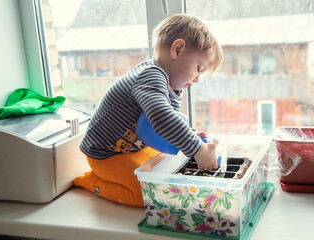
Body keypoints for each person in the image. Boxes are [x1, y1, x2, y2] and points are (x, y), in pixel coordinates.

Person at [74, 13, 223, 207]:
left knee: (168, 174)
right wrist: (198, 148)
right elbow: (162, 118)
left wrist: (191, 135)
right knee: (148, 196)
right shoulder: (150, 76)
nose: (197, 79)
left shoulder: (170, 87)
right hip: (106, 155)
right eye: (198, 68)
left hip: (133, 148)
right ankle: (91, 181)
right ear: (177, 50)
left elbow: (164, 128)